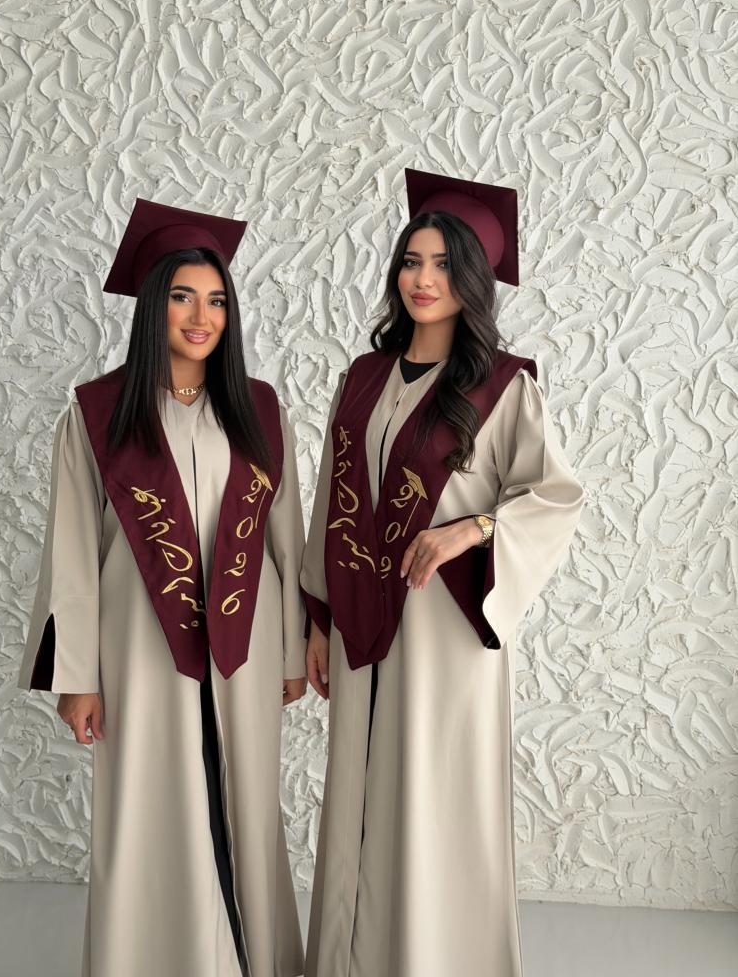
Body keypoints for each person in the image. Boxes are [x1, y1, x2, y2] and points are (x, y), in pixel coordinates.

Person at [300, 169, 585, 977]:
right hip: (362, 617)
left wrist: (474, 528)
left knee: (433, 799)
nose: (423, 279)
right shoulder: (362, 378)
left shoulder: (503, 387)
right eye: (411, 260)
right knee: (361, 794)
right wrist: (317, 620)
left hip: (446, 626)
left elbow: (554, 497)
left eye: (445, 264)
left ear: (475, 281)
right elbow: (332, 501)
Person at [17, 198, 306, 977]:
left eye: (216, 300)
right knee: (150, 805)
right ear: (153, 306)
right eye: (182, 296)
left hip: (247, 642)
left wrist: (292, 650)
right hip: (139, 642)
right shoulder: (98, 414)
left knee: (245, 801)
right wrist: (78, 676)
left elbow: (285, 538)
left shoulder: (260, 408)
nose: (201, 316)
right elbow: (73, 550)